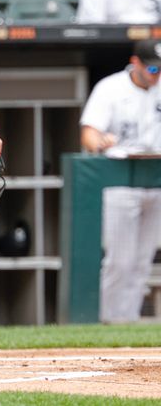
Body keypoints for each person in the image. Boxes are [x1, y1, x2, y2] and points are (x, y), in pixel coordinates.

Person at [79, 39, 161, 323]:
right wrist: (101, 141)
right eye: (152, 68)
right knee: (120, 260)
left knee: (142, 261)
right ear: (135, 63)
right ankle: (110, 322)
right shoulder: (111, 87)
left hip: (155, 178)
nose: (156, 75)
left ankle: (129, 322)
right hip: (120, 180)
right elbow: (88, 136)